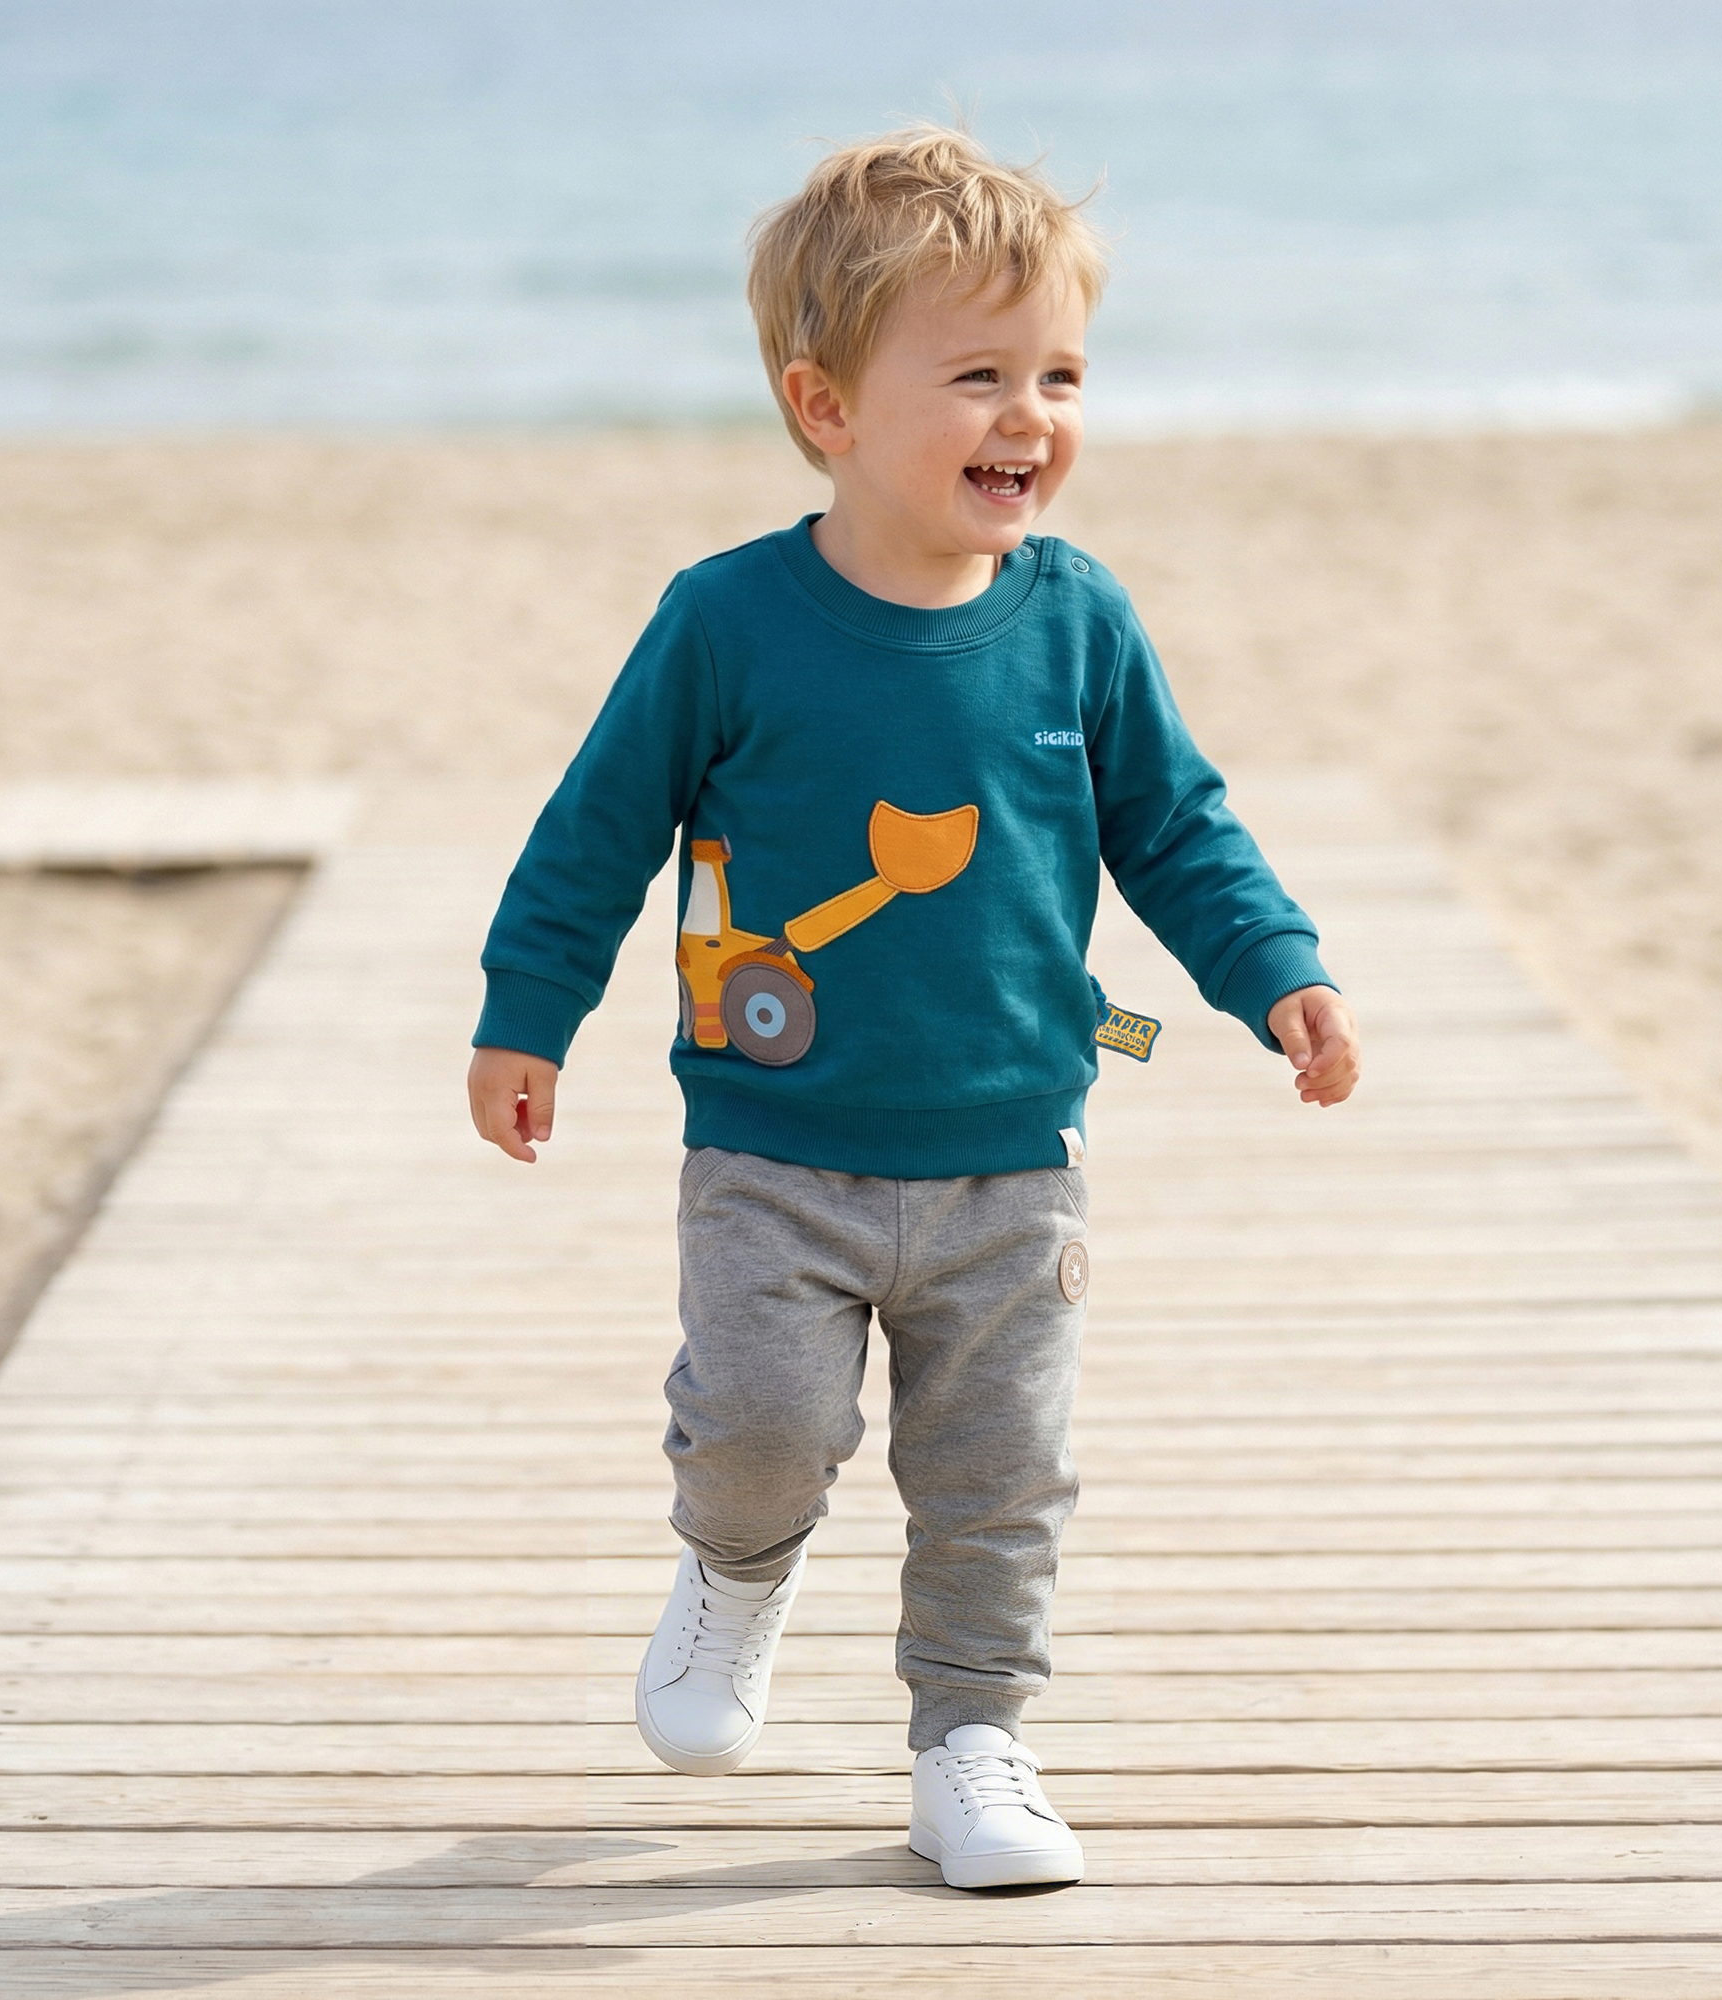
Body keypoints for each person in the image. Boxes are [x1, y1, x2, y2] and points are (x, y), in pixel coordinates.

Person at [467, 125, 1360, 1891]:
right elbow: (596, 832)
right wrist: (526, 1014)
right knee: (763, 1432)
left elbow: (1176, 822)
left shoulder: (1079, 622)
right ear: (827, 407)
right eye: (977, 375)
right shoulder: (726, 621)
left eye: (1061, 373)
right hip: (773, 1147)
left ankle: (972, 1739)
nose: (1031, 414)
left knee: (998, 1479)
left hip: (1013, 1153)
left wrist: (1278, 969)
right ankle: (737, 1564)